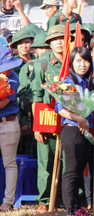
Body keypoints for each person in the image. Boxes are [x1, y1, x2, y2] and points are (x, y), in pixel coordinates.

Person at [55, 47, 94, 215]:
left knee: (81, 170)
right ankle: (71, 209)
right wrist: (78, 118)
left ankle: (80, 207)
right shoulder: (67, 82)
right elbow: (60, 109)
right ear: (72, 62)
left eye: (86, 61)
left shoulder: (89, 82)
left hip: (87, 131)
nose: (83, 65)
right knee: (72, 172)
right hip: (72, 130)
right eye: (78, 61)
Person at [30, 25, 66, 213]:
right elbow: (36, 96)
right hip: (47, 116)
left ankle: (68, 199)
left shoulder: (74, 59)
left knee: (69, 160)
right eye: (55, 39)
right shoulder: (42, 62)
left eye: (62, 38)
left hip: (70, 118)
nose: (59, 42)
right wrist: (37, 126)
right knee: (46, 160)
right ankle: (44, 200)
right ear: (49, 43)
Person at [17, 32, 50, 156]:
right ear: (35, 50)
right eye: (41, 48)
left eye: (47, 48)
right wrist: (24, 121)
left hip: (53, 114)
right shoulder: (29, 67)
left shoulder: (56, 66)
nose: (44, 51)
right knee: (34, 153)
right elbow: (21, 96)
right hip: (33, 116)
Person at [0, 48, 22, 212]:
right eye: (6, 66)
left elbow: (3, 103)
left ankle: (8, 201)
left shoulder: (13, 78)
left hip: (8, 123)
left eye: (12, 65)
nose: (10, 68)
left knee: (9, 163)